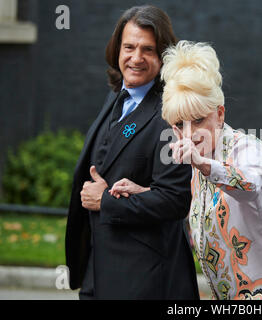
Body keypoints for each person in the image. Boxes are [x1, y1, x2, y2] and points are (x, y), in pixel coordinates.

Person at [110, 41, 262, 300]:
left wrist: (200, 163)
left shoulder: (247, 148)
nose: (190, 133)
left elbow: (248, 185)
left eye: (198, 120)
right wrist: (142, 191)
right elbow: (195, 209)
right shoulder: (203, 161)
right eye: (179, 124)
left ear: (219, 114)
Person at [65, 6, 199, 300]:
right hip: (98, 269)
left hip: (144, 279)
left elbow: (175, 199)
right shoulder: (117, 94)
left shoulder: (171, 114)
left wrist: (105, 201)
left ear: (164, 56)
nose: (136, 58)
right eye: (129, 47)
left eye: (147, 50)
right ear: (117, 49)